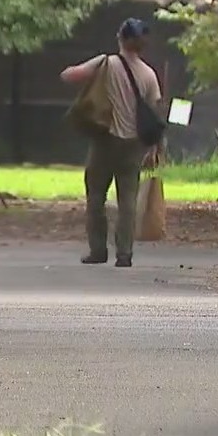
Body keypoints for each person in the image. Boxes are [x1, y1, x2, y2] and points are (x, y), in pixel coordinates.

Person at [60, 18, 162, 268]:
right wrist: (155, 147)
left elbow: (70, 76)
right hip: (134, 145)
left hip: (105, 140)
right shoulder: (149, 74)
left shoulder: (106, 62)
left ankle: (98, 250)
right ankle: (124, 254)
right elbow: (154, 111)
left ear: (120, 38)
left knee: (96, 196)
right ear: (141, 44)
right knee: (128, 200)